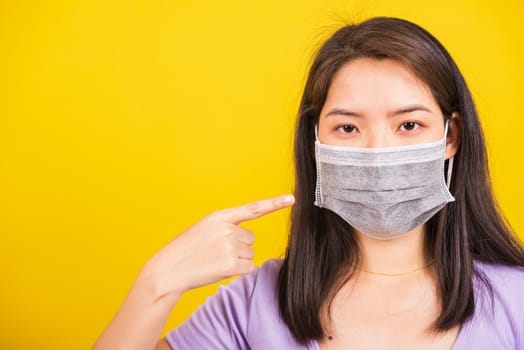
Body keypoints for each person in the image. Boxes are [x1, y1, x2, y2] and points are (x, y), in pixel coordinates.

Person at [93, 17, 524, 350]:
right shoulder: (253, 302)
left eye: (408, 124)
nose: (376, 151)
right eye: (348, 128)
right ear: (316, 142)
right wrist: (159, 282)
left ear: (450, 137)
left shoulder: (516, 298)